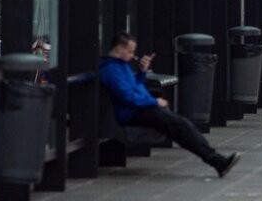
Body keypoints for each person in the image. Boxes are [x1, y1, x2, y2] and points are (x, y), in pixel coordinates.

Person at [99, 31, 241, 178]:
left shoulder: (120, 66)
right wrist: (155, 101)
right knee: (182, 126)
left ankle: (217, 161)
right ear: (118, 48)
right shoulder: (111, 69)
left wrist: (142, 72)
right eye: (129, 51)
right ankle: (217, 160)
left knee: (181, 128)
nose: (133, 55)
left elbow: (133, 87)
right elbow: (127, 96)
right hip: (134, 112)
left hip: (140, 109)